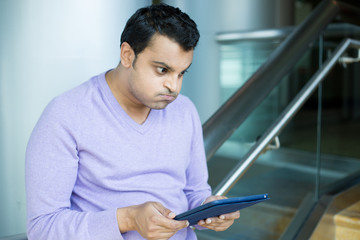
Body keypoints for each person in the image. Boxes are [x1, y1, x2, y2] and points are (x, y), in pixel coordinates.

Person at [25, 3, 240, 240]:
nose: (174, 87)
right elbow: (42, 227)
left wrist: (208, 209)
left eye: (181, 73)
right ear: (128, 55)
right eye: (162, 70)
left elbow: (194, 191)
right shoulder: (66, 114)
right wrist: (127, 219)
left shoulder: (185, 110)